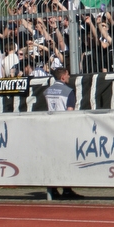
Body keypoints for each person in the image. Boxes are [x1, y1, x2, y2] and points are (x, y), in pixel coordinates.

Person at [44, 67, 83, 200]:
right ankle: (67, 189)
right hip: (63, 128)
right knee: (66, 160)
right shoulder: (68, 91)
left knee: (53, 160)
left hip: (50, 127)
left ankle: (53, 189)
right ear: (62, 77)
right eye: (67, 75)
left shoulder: (47, 91)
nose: (69, 77)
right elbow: (70, 111)